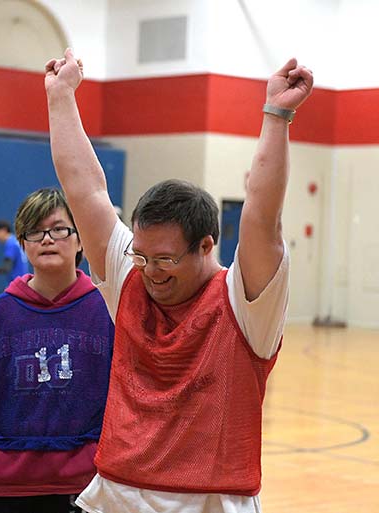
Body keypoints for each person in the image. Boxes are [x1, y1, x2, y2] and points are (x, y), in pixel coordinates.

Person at [45, 49, 312, 513]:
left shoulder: (246, 306)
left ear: (207, 246)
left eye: (165, 260)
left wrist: (276, 115)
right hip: (112, 497)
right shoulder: (130, 280)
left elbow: (262, 214)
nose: (150, 271)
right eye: (142, 255)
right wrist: (61, 96)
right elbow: (84, 189)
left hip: (211, 501)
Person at [0, 187, 115, 513]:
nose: (47, 239)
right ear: (22, 244)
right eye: (35, 232)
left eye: (60, 229)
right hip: (7, 495)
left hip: (89, 492)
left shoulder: (107, 313)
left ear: (81, 240)